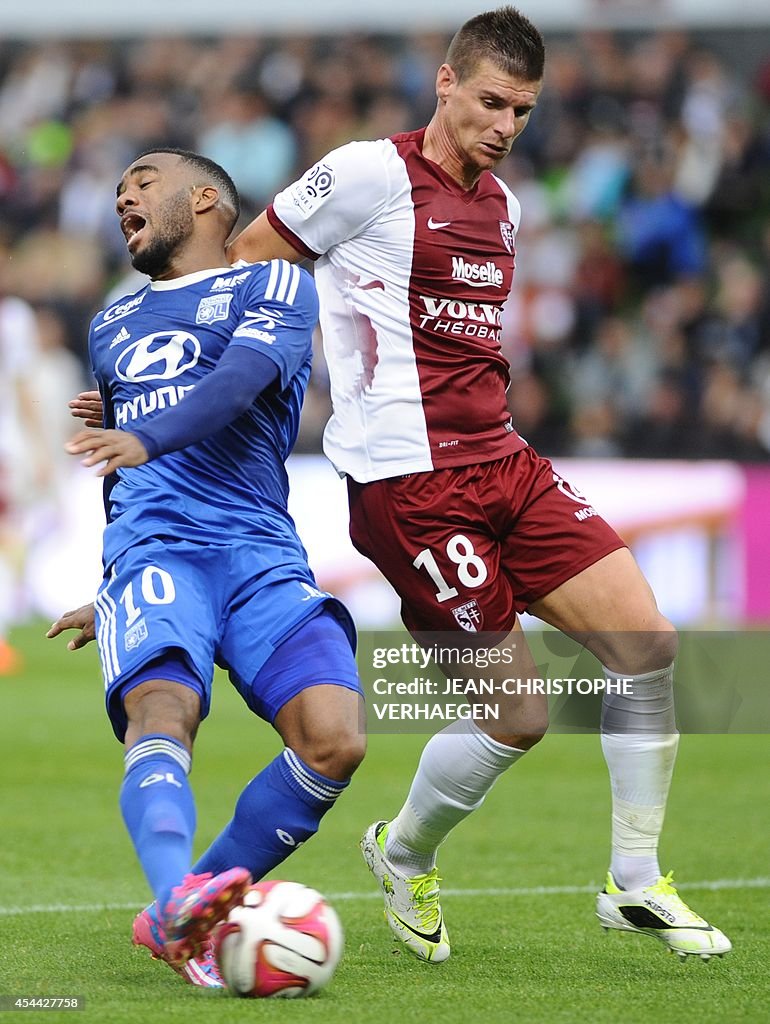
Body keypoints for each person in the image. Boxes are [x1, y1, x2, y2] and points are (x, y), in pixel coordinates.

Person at [219, 6, 731, 964]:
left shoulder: (504, 205)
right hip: (409, 490)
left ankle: (633, 882)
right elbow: (252, 257)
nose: (505, 126)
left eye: (524, 112)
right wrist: (242, 384)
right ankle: (403, 852)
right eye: (492, 101)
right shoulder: (368, 173)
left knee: (648, 642)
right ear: (446, 81)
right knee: (519, 717)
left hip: (505, 462)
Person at [48, 148, 365, 987]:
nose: (123, 197)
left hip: (260, 554)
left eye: (141, 182)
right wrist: (107, 584)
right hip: (157, 555)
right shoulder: (111, 325)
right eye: (118, 191)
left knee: (335, 741)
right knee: (163, 712)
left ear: (206, 200)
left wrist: (142, 432)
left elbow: (242, 377)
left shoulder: (276, 285)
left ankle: (187, 908)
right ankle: (176, 903)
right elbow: (121, 473)